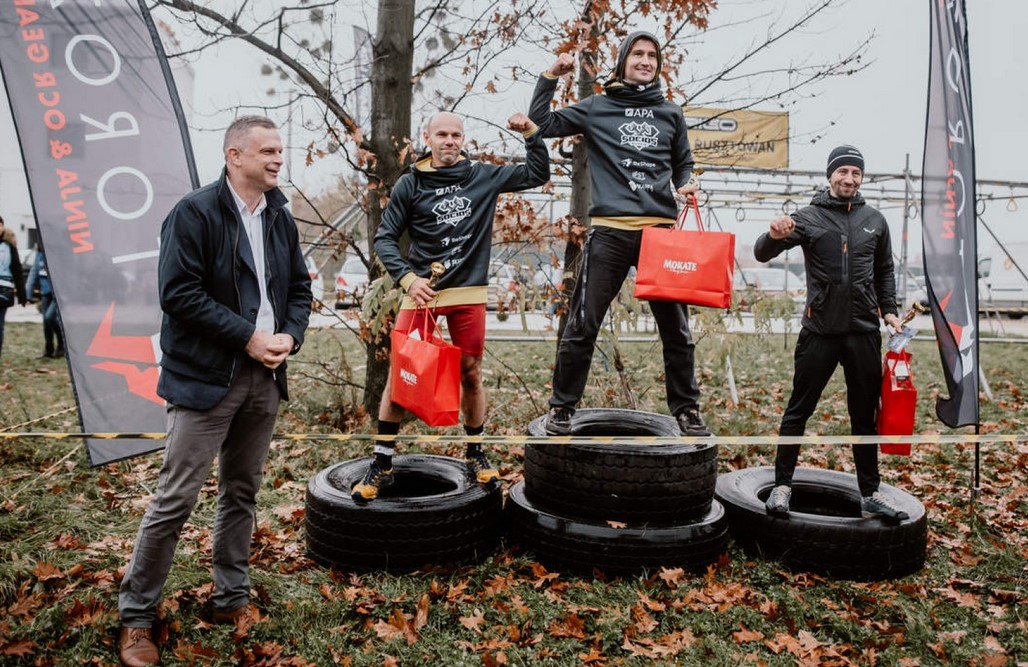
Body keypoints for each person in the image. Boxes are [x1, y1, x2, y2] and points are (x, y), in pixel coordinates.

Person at [117, 115, 312, 667]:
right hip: (204, 378)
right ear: (235, 156)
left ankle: (229, 598)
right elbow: (178, 294)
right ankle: (136, 616)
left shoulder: (279, 215)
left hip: (265, 377)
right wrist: (249, 338)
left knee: (241, 495)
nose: (278, 159)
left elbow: (299, 288)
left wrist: (288, 339)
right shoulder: (194, 213)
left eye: (281, 150)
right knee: (174, 500)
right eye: (268, 150)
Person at [351, 111, 549, 502]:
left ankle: (475, 452)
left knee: (471, 373)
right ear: (427, 137)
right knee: (401, 374)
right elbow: (385, 239)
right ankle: (382, 460)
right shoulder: (411, 184)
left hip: (468, 294)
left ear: (463, 139)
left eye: (456, 134)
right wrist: (408, 279)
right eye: (441, 134)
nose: (449, 140)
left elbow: (536, 173)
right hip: (422, 293)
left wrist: (532, 132)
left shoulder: (483, 176)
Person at [529, 32, 711, 437]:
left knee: (678, 332)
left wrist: (686, 182)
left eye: (652, 55)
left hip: (659, 237)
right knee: (581, 323)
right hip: (610, 233)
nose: (645, 60)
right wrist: (549, 77)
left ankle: (687, 410)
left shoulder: (670, 113)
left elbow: (683, 162)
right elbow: (541, 124)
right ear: (624, 60)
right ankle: (562, 407)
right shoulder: (598, 107)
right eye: (638, 54)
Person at [753, 145, 908, 522]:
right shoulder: (807, 218)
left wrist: (888, 310)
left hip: (863, 334)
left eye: (856, 173)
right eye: (843, 172)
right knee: (798, 410)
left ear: (861, 178)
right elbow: (761, 253)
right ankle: (782, 486)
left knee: (863, 416)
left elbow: (884, 270)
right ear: (830, 176)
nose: (849, 179)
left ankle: (870, 492)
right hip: (819, 332)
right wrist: (773, 236)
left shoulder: (875, 220)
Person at [25, 243, 64, 358]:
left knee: (50, 317)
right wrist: (28, 294)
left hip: (58, 293)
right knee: (46, 323)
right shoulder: (39, 254)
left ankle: (62, 345)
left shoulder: (59, 252)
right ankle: (49, 349)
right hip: (45, 292)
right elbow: (33, 273)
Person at [0, 214, 28, 362]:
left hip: (3, 291)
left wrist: (22, 295)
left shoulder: (10, 246)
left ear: (3, 227)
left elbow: (17, 271)